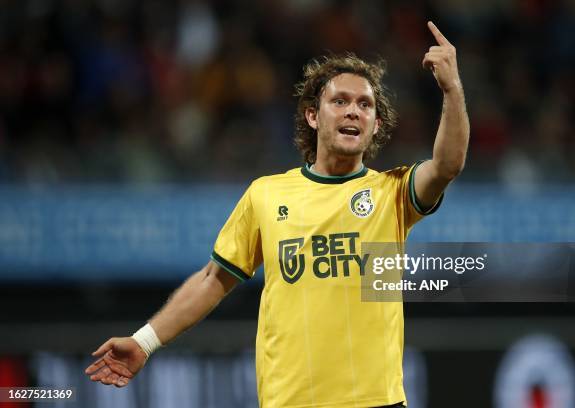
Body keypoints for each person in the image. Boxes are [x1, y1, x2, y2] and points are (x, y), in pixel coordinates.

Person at [85, 21, 469, 407]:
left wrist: (451, 88)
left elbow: (446, 165)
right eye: (340, 101)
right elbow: (212, 280)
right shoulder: (267, 194)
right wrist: (145, 341)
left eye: (365, 105)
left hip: (375, 401)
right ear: (313, 117)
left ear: (375, 126)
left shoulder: (391, 193)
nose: (353, 111)